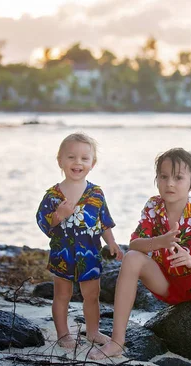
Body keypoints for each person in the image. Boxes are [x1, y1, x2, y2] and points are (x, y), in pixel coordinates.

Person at [89, 148, 191, 366]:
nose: (170, 184)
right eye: (163, 177)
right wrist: (159, 241)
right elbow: (134, 244)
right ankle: (117, 340)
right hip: (164, 282)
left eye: (178, 177)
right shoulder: (153, 207)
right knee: (133, 259)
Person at [36, 132, 123, 349]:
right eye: (71, 157)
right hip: (62, 254)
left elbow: (104, 221)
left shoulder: (96, 193)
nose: (78, 163)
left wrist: (111, 242)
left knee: (91, 295)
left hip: (90, 254)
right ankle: (63, 333)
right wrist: (58, 216)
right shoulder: (53, 196)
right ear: (60, 161)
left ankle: (93, 332)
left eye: (84, 158)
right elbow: (43, 223)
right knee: (62, 295)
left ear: (92, 163)